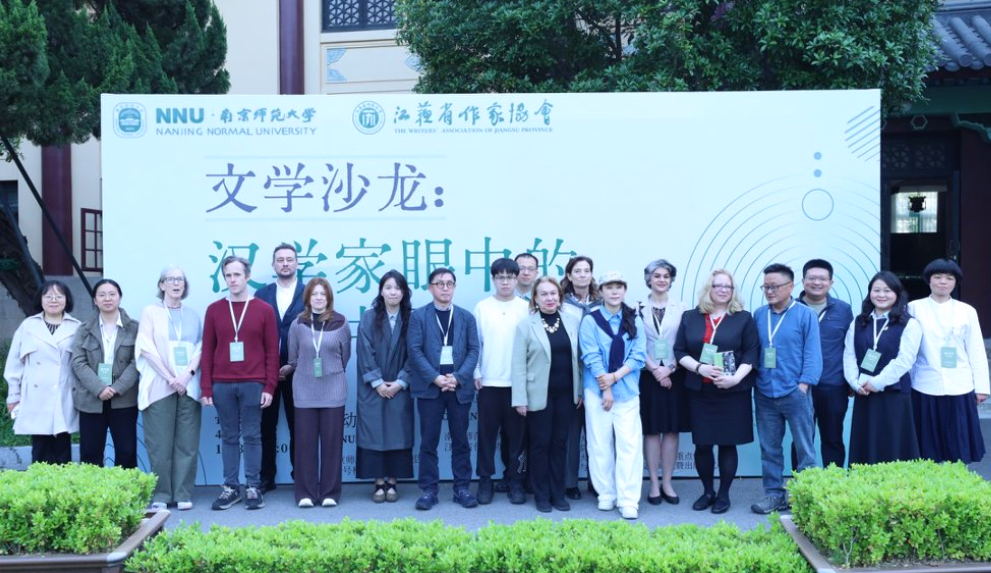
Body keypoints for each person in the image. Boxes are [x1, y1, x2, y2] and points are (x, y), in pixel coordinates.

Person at [675, 269, 759, 514]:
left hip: (732, 391)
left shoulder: (743, 318)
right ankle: (707, 492)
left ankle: (723, 495)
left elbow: (752, 351)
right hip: (700, 391)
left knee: (727, 444)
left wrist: (735, 379)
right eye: (718, 285)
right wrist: (699, 368)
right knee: (702, 444)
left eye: (728, 286)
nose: (723, 290)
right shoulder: (690, 317)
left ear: (733, 291)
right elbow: (679, 351)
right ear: (708, 289)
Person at [200, 256, 279, 511]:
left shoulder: (264, 309)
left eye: (237, 275)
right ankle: (231, 487)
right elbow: (207, 351)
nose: (232, 280)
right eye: (228, 275)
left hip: (253, 383)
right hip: (222, 384)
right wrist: (206, 387)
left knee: (253, 436)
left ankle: (253, 486)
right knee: (229, 437)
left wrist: (269, 386)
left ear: (247, 276)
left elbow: (272, 352)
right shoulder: (214, 310)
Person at [406, 268, 480, 510]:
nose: (445, 288)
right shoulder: (419, 316)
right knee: (428, 442)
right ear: (430, 288)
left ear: (454, 287)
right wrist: (435, 378)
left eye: (450, 283)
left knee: (461, 441)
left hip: (459, 388)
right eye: (440, 283)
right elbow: (414, 351)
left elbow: (473, 350)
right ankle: (429, 490)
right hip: (430, 389)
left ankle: (462, 488)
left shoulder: (466, 317)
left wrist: (458, 377)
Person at [751, 263, 822, 515]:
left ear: (791, 286)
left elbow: (813, 354)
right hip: (764, 392)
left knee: (805, 449)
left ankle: (805, 496)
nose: (769, 291)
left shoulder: (805, 315)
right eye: (765, 287)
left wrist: (803, 386)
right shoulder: (759, 314)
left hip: (795, 392)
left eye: (774, 286)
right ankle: (774, 495)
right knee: (770, 449)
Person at [579, 271, 646, 520]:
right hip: (597, 391)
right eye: (609, 287)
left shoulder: (634, 320)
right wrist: (605, 386)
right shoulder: (591, 320)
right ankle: (606, 493)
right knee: (599, 443)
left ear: (625, 290)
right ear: (601, 291)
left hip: (627, 391)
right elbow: (590, 355)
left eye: (619, 286)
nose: (614, 291)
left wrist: (615, 378)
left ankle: (628, 499)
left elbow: (638, 355)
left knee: (629, 445)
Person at [511, 277, 582, 513]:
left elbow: (578, 360)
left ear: (559, 297)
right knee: (540, 444)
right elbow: (518, 365)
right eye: (544, 294)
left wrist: (579, 390)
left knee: (560, 444)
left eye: (553, 293)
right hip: (537, 394)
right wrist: (520, 399)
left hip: (566, 394)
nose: (549, 298)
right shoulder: (525, 325)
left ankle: (557, 493)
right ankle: (541, 495)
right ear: (535, 298)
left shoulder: (572, 322)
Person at [909, 258, 989, 463]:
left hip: (959, 385)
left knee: (958, 445)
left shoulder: (967, 311)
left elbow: (976, 350)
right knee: (927, 445)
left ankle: (957, 481)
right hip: (924, 383)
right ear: (928, 280)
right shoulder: (914, 308)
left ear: (956, 282)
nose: (943, 282)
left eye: (949, 278)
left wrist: (982, 387)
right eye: (937, 277)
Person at [136, 266, 202, 511]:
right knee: (160, 445)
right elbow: (146, 348)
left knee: (187, 443)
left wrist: (185, 377)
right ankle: (162, 495)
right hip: (159, 385)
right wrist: (170, 378)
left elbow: (200, 348)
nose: (176, 283)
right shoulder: (150, 312)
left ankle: (183, 493)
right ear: (161, 284)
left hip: (188, 387)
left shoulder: (193, 315)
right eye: (171, 279)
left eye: (180, 279)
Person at [843, 271, 921, 464]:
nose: (881, 295)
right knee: (866, 444)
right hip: (864, 392)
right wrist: (854, 383)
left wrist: (877, 383)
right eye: (876, 290)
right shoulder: (859, 322)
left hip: (894, 393)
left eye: (887, 290)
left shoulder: (909, 323)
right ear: (870, 293)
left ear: (897, 294)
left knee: (892, 444)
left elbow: (905, 360)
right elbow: (849, 355)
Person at [285, 278, 351, 508]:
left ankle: (330, 493)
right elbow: (293, 357)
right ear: (308, 298)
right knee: (305, 443)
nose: (319, 298)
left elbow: (345, 357)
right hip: (304, 390)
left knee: (332, 444)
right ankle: (306, 493)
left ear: (329, 297)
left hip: (333, 389)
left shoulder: (341, 323)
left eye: (323, 294)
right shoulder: (298, 324)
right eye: (314, 294)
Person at [4, 280, 81, 464]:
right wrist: (13, 396)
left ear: (67, 300)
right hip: (35, 395)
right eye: (48, 296)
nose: (53, 300)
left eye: (59, 296)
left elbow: (82, 364)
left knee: (62, 445)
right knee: (39, 447)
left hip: (63, 393)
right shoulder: (28, 326)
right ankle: (39, 481)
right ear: (40, 299)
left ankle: (63, 482)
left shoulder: (76, 327)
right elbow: (15, 364)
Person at [473, 258, 530, 505]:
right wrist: (476, 372)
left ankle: (516, 481)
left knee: (518, 437)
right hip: (488, 383)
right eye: (500, 277)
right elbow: (475, 344)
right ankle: (485, 480)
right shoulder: (482, 307)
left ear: (517, 279)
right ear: (493, 279)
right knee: (486, 436)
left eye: (509, 277)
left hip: (518, 385)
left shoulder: (526, 308)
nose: (505, 282)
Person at [356, 270, 415, 503]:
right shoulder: (369, 317)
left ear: (404, 292)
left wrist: (401, 382)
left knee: (397, 432)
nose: (393, 292)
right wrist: (378, 383)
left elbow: (416, 353)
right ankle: (378, 481)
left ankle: (393, 481)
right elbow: (364, 351)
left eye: (398, 288)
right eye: (388, 287)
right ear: (381, 291)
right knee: (374, 432)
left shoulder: (412, 318)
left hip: (400, 385)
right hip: (373, 387)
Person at [70, 279, 140, 468]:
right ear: (95, 300)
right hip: (91, 399)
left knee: (126, 451)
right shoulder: (84, 329)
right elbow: (78, 361)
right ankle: (93, 489)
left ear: (119, 298)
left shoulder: (134, 328)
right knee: (90, 453)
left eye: (112, 294)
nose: (107, 298)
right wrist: (99, 388)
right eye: (102, 295)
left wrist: (117, 388)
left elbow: (137, 361)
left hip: (124, 398)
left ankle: (125, 488)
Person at [254, 243, 306, 492]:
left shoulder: (309, 293)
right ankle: (267, 477)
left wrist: (292, 365)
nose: (285, 263)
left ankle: (301, 476)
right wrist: (270, 368)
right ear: (273, 264)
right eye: (280, 260)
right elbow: (254, 334)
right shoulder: (261, 294)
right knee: (266, 426)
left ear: (297, 263)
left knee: (300, 426)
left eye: (289, 259)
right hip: (267, 372)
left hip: (301, 372)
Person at [637, 259, 688, 506]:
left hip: (675, 374)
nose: (661, 280)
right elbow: (635, 343)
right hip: (647, 376)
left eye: (666, 276)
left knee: (671, 430)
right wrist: (655, 370)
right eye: (656, 275)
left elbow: (686, 343)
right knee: (651, 429)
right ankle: (654, 483)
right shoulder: (636, 308)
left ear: (671, 280)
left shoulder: (683, 308)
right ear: (649, 279)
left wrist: (668, 369)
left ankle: (667, 481)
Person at [795, 259, 854, 469]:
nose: (817, 282)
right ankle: (802, 483)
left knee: (833, 438)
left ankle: (833, 483)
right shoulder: (792, 308)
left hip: (833, 385)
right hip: (800, 386)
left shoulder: (843, 310)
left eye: (822, 278)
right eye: (812, 278)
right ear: (803, 281)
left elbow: (851, 347)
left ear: (831, 282)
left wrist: (851, 381)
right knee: (802, 440)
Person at [560, 255, 601, 500]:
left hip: (597, 374)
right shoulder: (560, 303)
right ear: (569, 275)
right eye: (577, 271)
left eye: (587, 270)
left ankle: (597, 482)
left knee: (597, 432)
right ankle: (570, 483)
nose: (582, 275)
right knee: (571, 432)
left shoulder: (602, 302)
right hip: (570, 373)